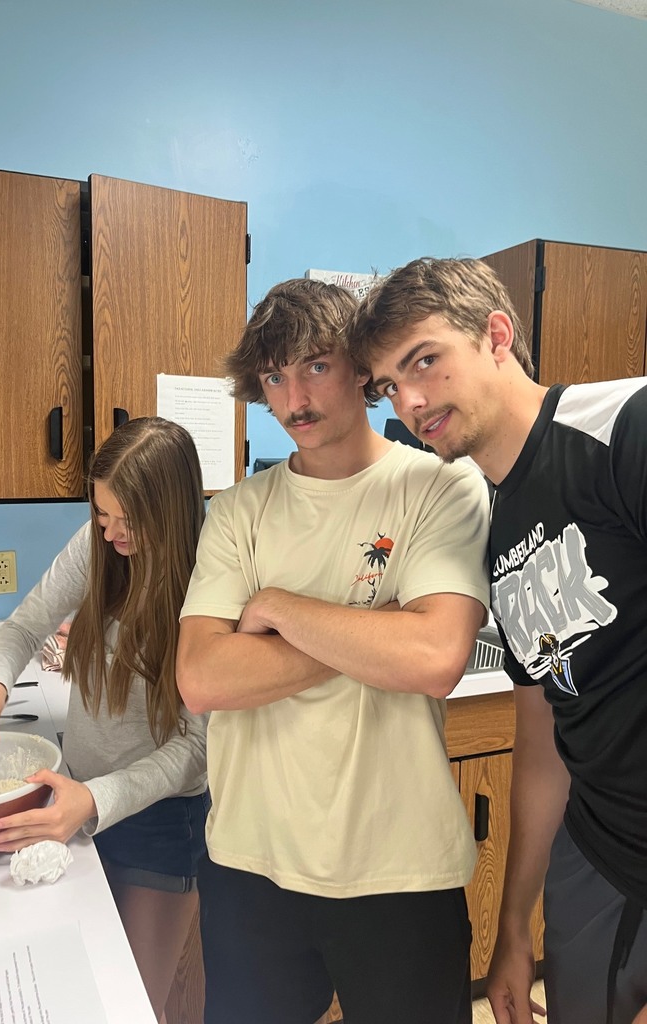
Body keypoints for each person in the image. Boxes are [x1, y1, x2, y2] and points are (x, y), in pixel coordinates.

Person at [176, 278, 490, 1024]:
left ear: (360, 369)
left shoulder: (441, 486)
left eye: (314, 366)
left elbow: (435, 657)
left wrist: (279, 610)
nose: (293, 400)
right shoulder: (238, 512)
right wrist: (378, 625)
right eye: (274, 377)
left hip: (401, 872)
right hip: (252, 868)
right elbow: (202, 677)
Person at [346, 256, 647, 1024]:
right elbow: (544, 732)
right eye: (388, 384)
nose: (409, 401)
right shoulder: (495, 528)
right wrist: (513, 927)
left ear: (497, 336)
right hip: (596, 854)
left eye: (425, 360)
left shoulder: (622, 430)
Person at [0, 417, 208, 1021]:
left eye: (128, 520)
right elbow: (22, 627)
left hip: (160, 821)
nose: (112, 534)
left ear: (169, 512)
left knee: (132, 1005)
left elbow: (196, 749)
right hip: (76, 800)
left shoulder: (207, 583)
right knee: (81, 989)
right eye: (101, 515)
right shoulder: (97, 547)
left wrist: (92, 800)